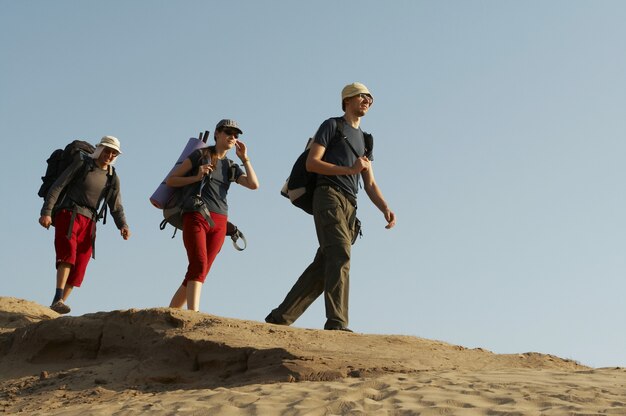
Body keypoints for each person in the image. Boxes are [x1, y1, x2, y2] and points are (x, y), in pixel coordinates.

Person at [266, 82, 396, 332]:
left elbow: (369, 183)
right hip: (328, 195)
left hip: (350, 205)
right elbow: (312, 163)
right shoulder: (332, 126)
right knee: (340, 254)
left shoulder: (367, 140)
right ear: (347, 100)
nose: (367, 100)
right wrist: (349, 170)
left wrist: (384, 208)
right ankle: (337, 322)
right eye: (362, 96)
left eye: (370, 97)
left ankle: (280, 318)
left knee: (324, 266)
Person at [167, 119, 259, 311]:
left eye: (236, 135)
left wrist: (245, 159)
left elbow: (253, 184)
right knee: (199, 264)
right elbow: (171, 181)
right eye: (228, 132)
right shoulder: (200, 155)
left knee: (200, 271)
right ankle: (194, 314)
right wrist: (196, 176)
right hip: (196, 214)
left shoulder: (231, 165)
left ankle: (170, 313)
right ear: (217, 133)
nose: (232, 137)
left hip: (220, 221)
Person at [39, 136, 131, 314]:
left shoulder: (112, 177)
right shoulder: (82, 164)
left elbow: (116, 205)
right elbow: (58, 186)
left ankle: (57, 305)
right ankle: (58, 297)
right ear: (100, 149)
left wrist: (123, 225)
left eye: (114, 153)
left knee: (81, 263)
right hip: (70, 213)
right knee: (68, 254)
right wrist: (46, 212)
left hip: (90, 222)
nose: (110, 155)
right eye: (107, 150)